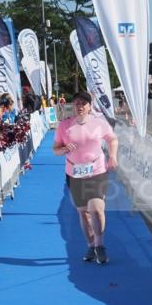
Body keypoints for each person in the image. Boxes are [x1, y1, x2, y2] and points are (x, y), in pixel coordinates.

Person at [52, 92, 119, 265]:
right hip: (74, 173)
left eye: (83, 103)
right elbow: (55, 150)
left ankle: (100, 245)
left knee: (96, 209)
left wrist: (112, 156)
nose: (80, 106)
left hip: (97, 170)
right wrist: (65, 148)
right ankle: (90, 245)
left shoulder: (99, 124)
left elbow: (112, 139)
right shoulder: (64, 126)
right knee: (84, 213)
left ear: (89, 106)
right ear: (72, 106)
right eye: (76, 103)